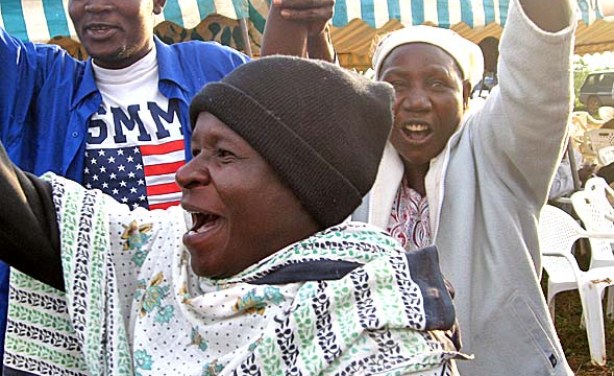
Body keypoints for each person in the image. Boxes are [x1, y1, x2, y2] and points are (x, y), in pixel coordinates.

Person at [0, 56, 466, 375]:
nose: (186, 173)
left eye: (222, 154)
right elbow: (27, 214)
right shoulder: (161, 256)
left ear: (300, 187)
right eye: (196, 148)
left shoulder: (384, 345)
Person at [0, 0, 333, 364]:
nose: (95, 5)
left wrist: (312, 35)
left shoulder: (215, 67)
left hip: (207, 321)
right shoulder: (38, 80)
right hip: (83, 324)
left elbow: (287, 133)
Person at [351, 0, 576, 374]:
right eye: (396, 84)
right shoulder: (359, 167)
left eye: (438, 83)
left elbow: (536, 81)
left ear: (467, 95)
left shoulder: (497, 153)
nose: (417, 101)